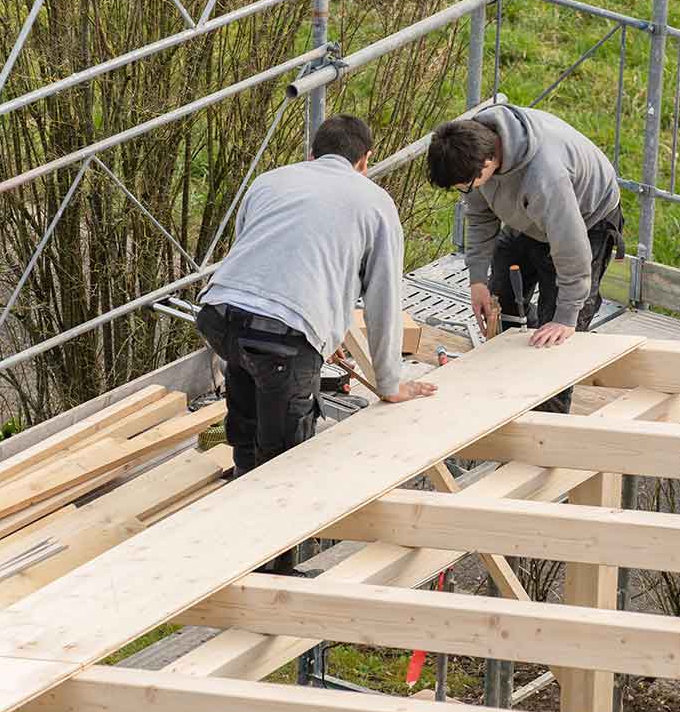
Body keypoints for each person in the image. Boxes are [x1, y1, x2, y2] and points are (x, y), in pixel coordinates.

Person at [198, 114, 436, 485]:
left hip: (219, 316)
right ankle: (269, 529)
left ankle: (242, 477)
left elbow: (257, 264)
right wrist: (390, 384)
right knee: (283, 463)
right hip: (282, 341)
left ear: (312, 153)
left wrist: (323, 332)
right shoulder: (375, 203)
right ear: (365, 160)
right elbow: (383, 301)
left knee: (247, 416)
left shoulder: (270, 181)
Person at [426, 103, 623, 413]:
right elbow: (479, 218)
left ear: (488, 163)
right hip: (527, 218)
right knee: (499, 300)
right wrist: (477, 279)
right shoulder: (469, 148)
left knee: (556, 341)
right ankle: (506, 395)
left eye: (465, 185)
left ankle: (547, 425)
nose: (465, 190)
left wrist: (567, 316)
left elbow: (572, 248)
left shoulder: (545, 176)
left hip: (586, 221)